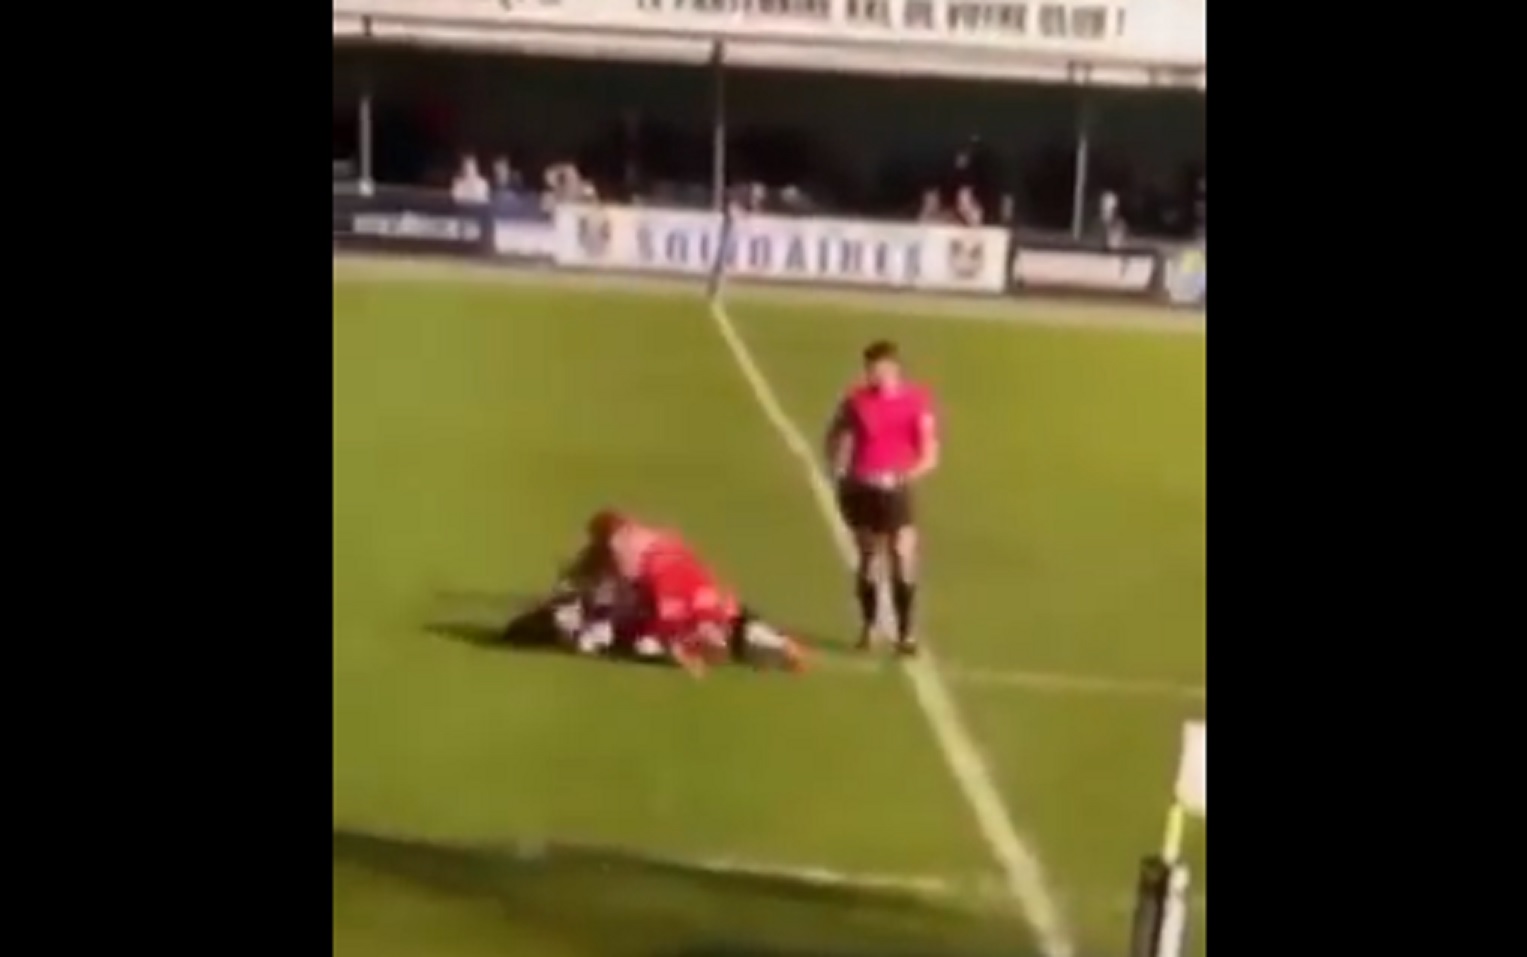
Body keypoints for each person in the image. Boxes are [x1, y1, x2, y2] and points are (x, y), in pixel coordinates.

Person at [556, 509, 807, 676]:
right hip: (699, 583)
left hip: (669, 591)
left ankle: (689, 650)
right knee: (724, 617)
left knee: (654, 633)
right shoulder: (653, 534)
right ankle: (777, 644)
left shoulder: (619, 546)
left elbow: (618, 581)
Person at [824, 340, 940, 655]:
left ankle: (906, 632)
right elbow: (835, 433)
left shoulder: (917, 401)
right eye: (869, 369)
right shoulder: (856, 401)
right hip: (861, 488)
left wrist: (905, 475)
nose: (873, 375)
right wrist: (837, 467)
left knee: (903, 555)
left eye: (878, 369)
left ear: (893, 368)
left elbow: (930, 453)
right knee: (869, 558)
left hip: (895, 490)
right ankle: (869, 627)